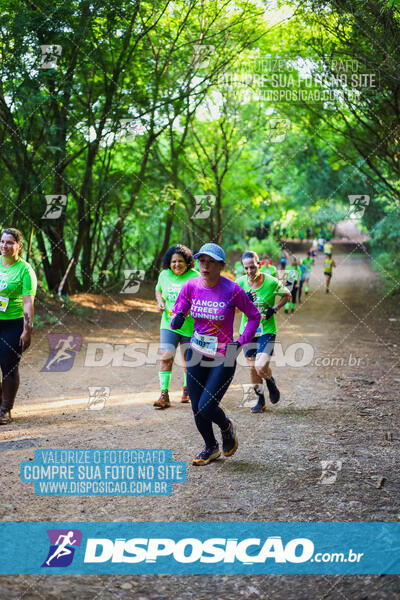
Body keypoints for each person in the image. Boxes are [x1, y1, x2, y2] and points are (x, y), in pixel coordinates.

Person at [171, 243, 260, 466]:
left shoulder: (232, 290)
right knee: (196, 407)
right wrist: (178, 317)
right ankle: (210, 447)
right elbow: (178, 310)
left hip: (224, 355)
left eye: (211, 262)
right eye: (202, 261)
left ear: (221, 265)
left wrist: (240, 342)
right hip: (197, 352)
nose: (205, 266)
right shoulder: (190, 286)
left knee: (207, 406)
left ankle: (227, 426)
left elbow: (254, 316)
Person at [236, 252, 291, 413]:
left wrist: (274, 309)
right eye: (246, 268)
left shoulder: (271, 282)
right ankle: (260, 401)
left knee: (261, 367)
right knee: (253, 369)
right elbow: (234, 310)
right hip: (247, 332)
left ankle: (270, 382)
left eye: (252, 267)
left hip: (266, 330)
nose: (249, 271)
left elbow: (287, 295)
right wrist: (244, 301)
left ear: (259, 264)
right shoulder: (239, 283)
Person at [154, 245, 199, 409]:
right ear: (169, 262)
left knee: (189, 360)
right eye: (173, 261)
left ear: (187, 262)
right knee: (166, 356)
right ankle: (164, 394)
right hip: (168, 323)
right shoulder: (164, 275)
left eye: (180, 261)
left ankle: (187, 389)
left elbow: (203, 297)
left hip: (190, 325)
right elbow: (158, 290)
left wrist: (190, 310)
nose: (177, 264)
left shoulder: (195, 277)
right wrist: (160, 302)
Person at [0, 228, 37, 425]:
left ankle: (6, 409)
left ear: (19, 246)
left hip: (13, 324)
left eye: (9, 243)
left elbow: (28, 303)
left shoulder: (25, 271)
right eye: (2, 242)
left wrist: (27, 329)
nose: (4, 246)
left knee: (8, 366)